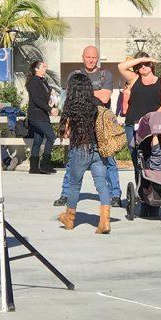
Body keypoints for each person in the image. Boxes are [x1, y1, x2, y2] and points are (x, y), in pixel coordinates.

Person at [53, 47, 123, 206]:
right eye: (88, 57)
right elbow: (70, 99)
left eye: (94, 57)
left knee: (109, 159)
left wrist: (83, 91)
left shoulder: (106, 74)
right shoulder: (74, 75)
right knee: (72, 159)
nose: (91, 60)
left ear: (98, 58)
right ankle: (65, 194)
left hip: (101, 123)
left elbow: (105, 97)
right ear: (83, 57)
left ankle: (115, 195)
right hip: (79, 123)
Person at [57, 73, 112, 234]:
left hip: (80, 149)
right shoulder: (97, 104)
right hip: (98, 149)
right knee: (102, 184)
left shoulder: (71, 106)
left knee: (74, 185)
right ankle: (105, 222)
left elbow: (65, 134)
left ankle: (69, 219)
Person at [118, 52, 161, 174]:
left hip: (154, 125)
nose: (143, 66)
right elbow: (121, 67)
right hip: (133, 124)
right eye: (140, 65)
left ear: (151, 64)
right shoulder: (134, 78)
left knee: (152, 153)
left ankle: (155, 181)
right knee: (136, 156)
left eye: (146, 63)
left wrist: (149, 118)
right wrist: (141, 59)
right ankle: (140, 187)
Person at [26, 60, 56, 175]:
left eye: (45, 66)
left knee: (38, 140)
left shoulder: (43, 81)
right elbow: (37, 100)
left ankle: (34, 167)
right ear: (36, 69)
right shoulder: (33, 82)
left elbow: (45, 98)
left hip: (42, 115)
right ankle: (45, 164)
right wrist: (50, 109)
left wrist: (52, 102)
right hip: (36, 115)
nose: (45, 68)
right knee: (51, 137)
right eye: (43, 66)